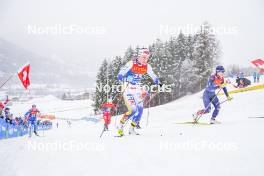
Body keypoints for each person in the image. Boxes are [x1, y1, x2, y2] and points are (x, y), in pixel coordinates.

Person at [117, 48, 158, 136]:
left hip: (137, 88)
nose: (145, 59)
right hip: (127, 87)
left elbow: (153, 76)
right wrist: (124, 78)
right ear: (139, 56)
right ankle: (120, 126)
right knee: (133, 110)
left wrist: (158, 83)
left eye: (147, 58)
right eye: (143, 57)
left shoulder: (147, 66)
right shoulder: (131, 63)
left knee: (139, 111)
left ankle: (132, 129)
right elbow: (120, 74)